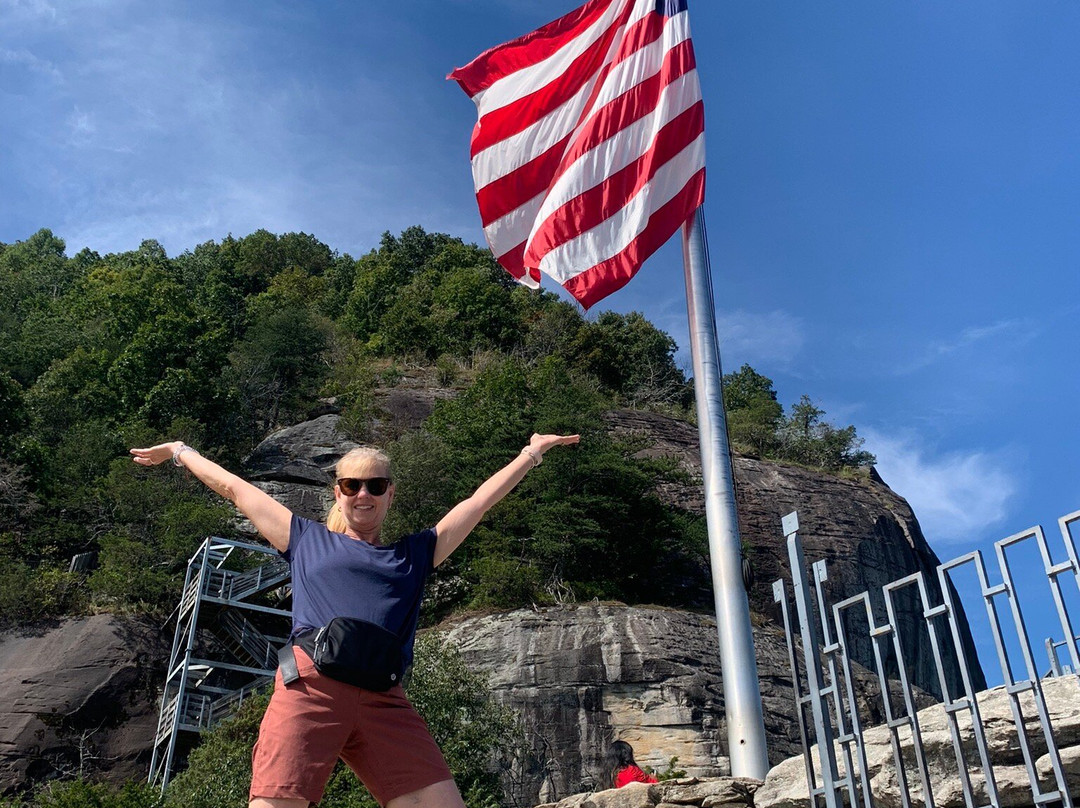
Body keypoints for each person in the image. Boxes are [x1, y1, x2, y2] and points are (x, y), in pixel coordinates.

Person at [131, 432, 579, 808]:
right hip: (310, 687)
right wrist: (179, 451)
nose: (363, 494)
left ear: (390, 492)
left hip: (385, 697)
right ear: (338, 492)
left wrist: (531, 452)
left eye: (375, 485)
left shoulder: (415, 554)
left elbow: (478, 502)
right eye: (351, 485)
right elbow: (234, 488)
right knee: (278, 803)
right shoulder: (305, 538)